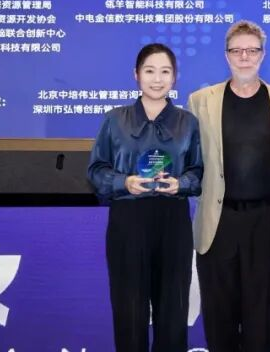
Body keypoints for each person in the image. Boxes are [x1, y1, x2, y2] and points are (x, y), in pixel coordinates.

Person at [189, 21, 270, 351]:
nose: (244, 57)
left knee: (259, 318)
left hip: (266, 221)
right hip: (218, 221)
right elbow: (189, 160)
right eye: (237, 51)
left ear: (263, 54)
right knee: (218, 316)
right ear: (226, 55)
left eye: (252, 50)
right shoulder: (200, 101)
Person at [87, 43, 204, 352]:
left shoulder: (188, 122)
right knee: (129, 309)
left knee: (173, 310)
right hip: (128, 220)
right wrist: (124, 182)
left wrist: (181, 184)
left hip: (173, 220)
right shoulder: (115, 119)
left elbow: (198, 171)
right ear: (136, 74)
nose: (157, 79)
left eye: (165, 72)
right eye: (149, 71)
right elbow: (96, 170)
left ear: (175, 77)